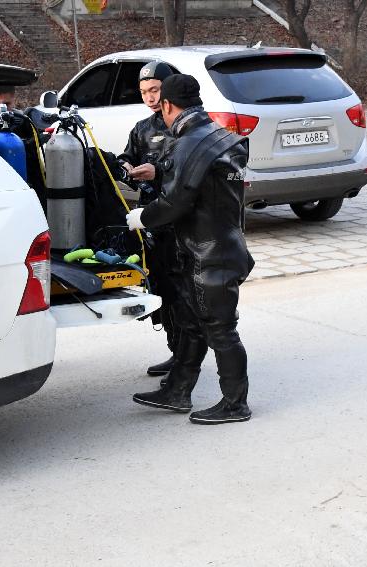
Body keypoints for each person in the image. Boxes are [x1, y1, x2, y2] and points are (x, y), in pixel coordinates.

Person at [125, 74, 255, 424]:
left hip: (210, 253)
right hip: (216, 246)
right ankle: (178, 390)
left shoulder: (190, 143)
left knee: (220, 329)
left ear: (167, 104)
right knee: (192, 323)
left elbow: (175, 202)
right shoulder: (221, 136)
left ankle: (235, 403)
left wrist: (140, 217)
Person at [117, 61, 180, 379]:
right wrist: (124, 166)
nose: (150, 97)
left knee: (182, 290)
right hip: (151, 219)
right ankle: (176, 352)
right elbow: (128, 155)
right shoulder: (143, 128)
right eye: (144, 92)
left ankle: (187, 356)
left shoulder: (186, 126)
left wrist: (161, 171)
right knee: (161, 289)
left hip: (181, 221)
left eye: (154, 90)